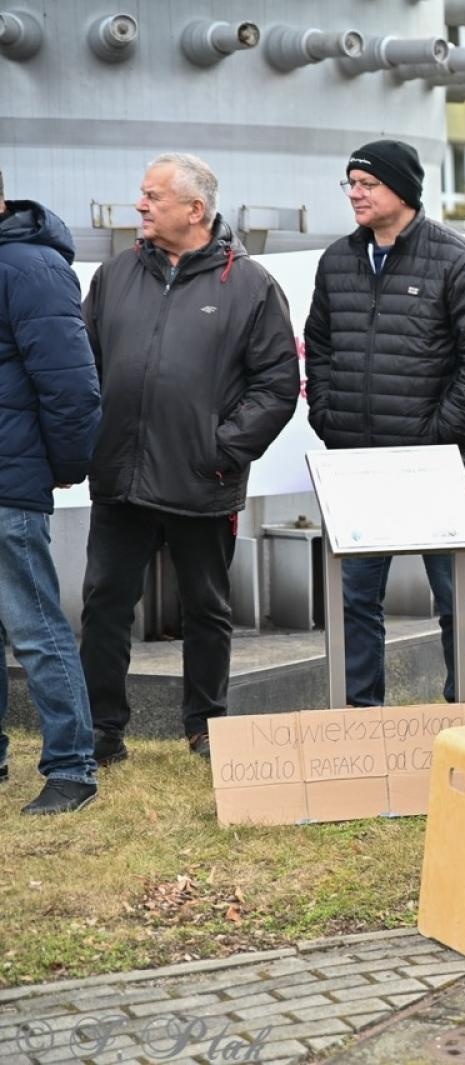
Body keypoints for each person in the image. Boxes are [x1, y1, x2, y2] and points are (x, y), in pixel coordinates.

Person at [80, 153, 299, 763]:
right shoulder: (113, 276)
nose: (140, 205)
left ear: (195, 210)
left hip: (204, 478)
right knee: (104, 604)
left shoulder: (251, 286)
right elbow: (85, 368)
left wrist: (221, 449)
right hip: (120, 476)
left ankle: (206, 728)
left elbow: (277, 386)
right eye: (141, 195)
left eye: (153, 196)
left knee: (206, 608)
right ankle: (102, 732)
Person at [303, 139, 465, 708]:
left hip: (435, 467)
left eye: (366, 184)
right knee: (354, 600)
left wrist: (438, 435)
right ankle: (360, 716)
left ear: (403, 190)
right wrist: (329, 416)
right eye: (350, 183)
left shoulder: (455, 259)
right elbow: (318, 347)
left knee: (458, 598)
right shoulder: (338, 261)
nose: (355, 194)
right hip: (358, 468)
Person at [0, 168, 103, 813]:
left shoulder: (31, 267)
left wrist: (61, 467)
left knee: (34, 626)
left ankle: (72, 767)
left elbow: (71, 385)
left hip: (10, 484)